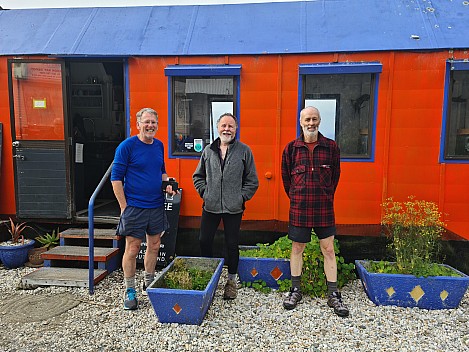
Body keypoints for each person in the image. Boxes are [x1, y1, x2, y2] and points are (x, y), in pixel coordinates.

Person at [281, 106, 349, 317]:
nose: (311, 123)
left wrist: (326, 194)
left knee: (328, 249)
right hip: (299, 207)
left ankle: (333, 294)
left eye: (315, 119)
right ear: (301, 122)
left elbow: (335, 176)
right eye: (307, 120)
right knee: (297, 247)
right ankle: (295, 290)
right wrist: (296, 196)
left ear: (320, 121)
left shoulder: (331, 147)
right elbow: (286, 179)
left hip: (323, 207)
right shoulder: (291, 148)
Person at [111, 107, 177, 310]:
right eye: (146, 122)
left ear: (157, 126)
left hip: (156, 205)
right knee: (132, 248)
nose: (150, 126)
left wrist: (168, 184)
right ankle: (130, 290)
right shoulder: (126, 146)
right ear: (138, 124)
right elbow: (116, 179)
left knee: (155, 245)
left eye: (153, 123)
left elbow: (162, 171)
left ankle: (149, 282)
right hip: (135, 207)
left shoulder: (159, 145)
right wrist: (124, 207)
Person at [192, 113, 259, 300]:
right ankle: (209, 277)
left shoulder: (244, 151)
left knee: (231, 244)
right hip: (210, 205)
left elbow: (252, 180)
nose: (226, 129)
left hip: (233, 208)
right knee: (204, 240)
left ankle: (231, 281)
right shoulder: (208, 151)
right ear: (217, 127)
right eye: (223, 125)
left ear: (236, 129)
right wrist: (205, 193)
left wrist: (241, 197)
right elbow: (197, 176)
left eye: (230, 126)